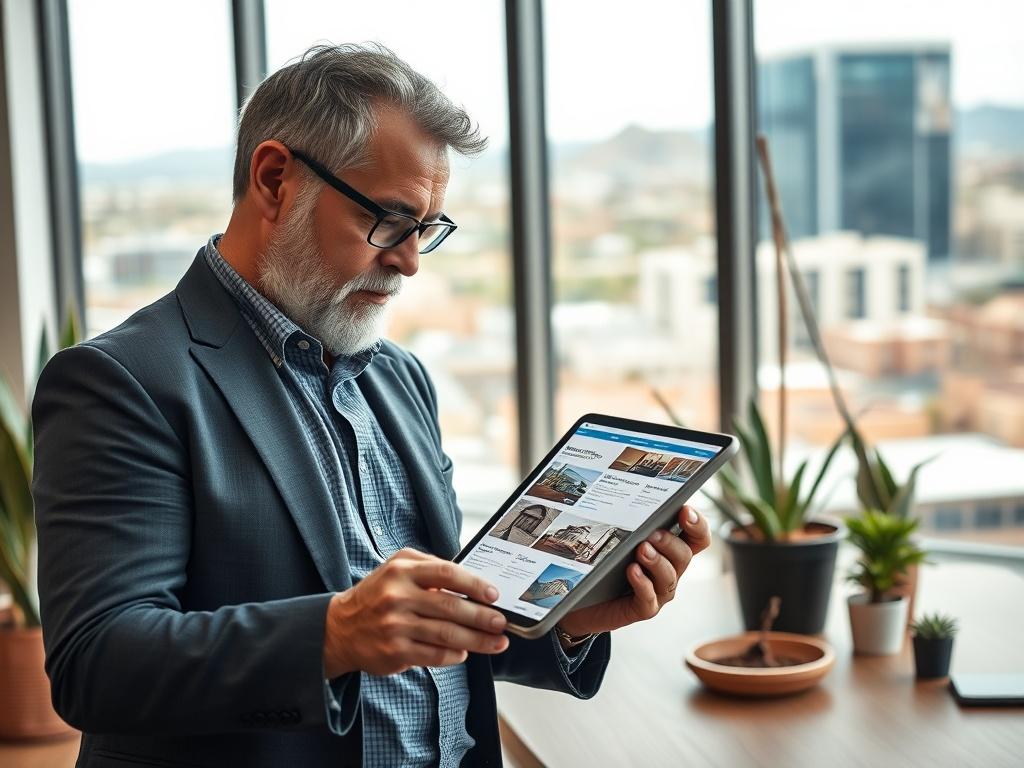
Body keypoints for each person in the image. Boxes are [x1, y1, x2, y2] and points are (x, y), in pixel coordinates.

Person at [32, 44, 711, 768]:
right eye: (389, 220)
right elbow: (97, 663)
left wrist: (565, 621)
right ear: (274, 180)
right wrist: (333, 634)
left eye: (428, 228)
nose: (411, 260)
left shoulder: (399, 378)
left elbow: (426, 634)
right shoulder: (121, 381)